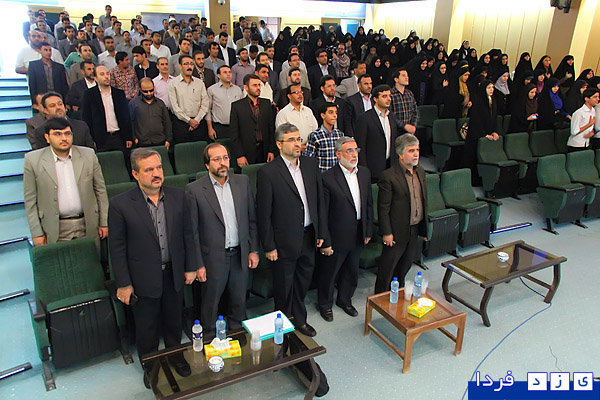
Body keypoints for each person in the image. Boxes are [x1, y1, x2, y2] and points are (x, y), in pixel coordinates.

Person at [109, 148, 198, 388]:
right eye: (149, 170)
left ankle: (176, 356)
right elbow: (116, 249)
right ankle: (151, 366)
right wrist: (124, 283)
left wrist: (191, 266)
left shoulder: (179, 196)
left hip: (173, 273)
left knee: (174, 321)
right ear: (135, 174)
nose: (156, 173)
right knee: (147, 328)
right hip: (142, 278)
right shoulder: (120, 204)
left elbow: (188, 235)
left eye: (159, 168)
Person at [256, 123, 329, 337]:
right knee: (283, 287)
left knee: (303, 282)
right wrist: (269, 246)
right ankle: (282, 327)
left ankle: (300, 319)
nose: (298, 143)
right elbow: (264, 214)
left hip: (308, 236)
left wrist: (321, 232)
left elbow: (319, 202)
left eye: (298, 139)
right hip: (283, 242)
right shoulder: (268, 172)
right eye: (292, 140)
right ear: (279, 144)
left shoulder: (310, 165)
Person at [186, 143, 259, 335]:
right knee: (210, 304)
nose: (222, 163)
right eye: (216, 159)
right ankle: (210, 338)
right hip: (212, 258)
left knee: (239, 301)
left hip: (240, 254)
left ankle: (237, 333)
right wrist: (198, 264)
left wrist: (253, 249)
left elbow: (251, 219)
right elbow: (192, 232)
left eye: (225, 157)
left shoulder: (242, 182)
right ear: (207, 164)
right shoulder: (194, 190)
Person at [24, 117, 108, 248]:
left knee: (91, 259)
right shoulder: (33, 160)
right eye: (57, 134)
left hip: (88, 223)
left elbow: (100, 191)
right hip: (54, 227)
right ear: (47, 138)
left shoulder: (88, 155)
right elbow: (30, 200)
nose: (64, 138)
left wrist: (104, 222)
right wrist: (36, 233)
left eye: (67, 133)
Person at [317, 134, 373, 321]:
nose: (354, 154)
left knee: (351, 270)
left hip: (358, 231)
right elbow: (323, 213)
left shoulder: (364, 173)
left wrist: (368, 230)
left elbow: (368, 204)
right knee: (329, 273)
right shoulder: (327, 178)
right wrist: (326, 240)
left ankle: (345, 299)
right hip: (336, 235)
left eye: (356, 150)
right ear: (338, 155)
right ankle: (325, 305)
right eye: (349, 151)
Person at [374, 134, 427, 293]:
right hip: (395, 232)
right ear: (400, 154)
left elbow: (423, 200)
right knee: (387, 269)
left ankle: (397, 293)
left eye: (417, 150)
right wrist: (387, 233)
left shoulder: (420, 171)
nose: (416, 154)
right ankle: (380, 297)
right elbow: (383, 208)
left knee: (405, 265)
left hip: (414, 228)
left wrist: (424, 228)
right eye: (411, 151)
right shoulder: (389, 176)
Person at [82, 65, 133, 152]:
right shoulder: (89, 94)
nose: (106, 76)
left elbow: (126, 117)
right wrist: (91, 139)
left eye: (107, 74)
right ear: (95, 78)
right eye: (102, 74)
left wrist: (128, 137)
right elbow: (86, 118)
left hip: (119, 137)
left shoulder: (119, 94)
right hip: (100, 138)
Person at [230, 74, 275, 167]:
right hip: (246, 152)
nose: (258, 88)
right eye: (254, 85)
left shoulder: (266, 103)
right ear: (246, 87)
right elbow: (234, 134)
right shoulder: (237, 106)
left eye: (259, 85)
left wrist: (271, 150)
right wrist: (240, 155)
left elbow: (271, 129)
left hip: (265, 151)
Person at [355, 84, 398, 182]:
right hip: (372, 170)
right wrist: (364, 170)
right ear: (375, 99)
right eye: (384, 96)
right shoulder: (365, 118)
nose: (388, 99)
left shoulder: (391, 116)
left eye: (389, 96)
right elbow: (360, 146)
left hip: (390, 167)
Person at [168, 54, 209, 144]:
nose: (189, 67)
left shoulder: (200, 83)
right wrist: (189, 121)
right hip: (181, 124)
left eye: (191, 64)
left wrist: (196, 120)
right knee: (182, 149)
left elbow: (205, 104)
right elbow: (175, 107)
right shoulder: (173, 84)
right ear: (180, 66)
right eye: (186, 64)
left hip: (199, 123)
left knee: (200, 148)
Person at [464, 80, 499, 182]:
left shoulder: (493, 101)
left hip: (488, 132)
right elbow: (476, 121)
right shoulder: (478, 101)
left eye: (492, 88)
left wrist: (494, 131)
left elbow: (494, 118)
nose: (491, 90)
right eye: (489, 88)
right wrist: (483, 134)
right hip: (476, 134)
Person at [129, 78, 172, 149]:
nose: (149, 93)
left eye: (151, 90)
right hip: (142, 142)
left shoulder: (160, 103)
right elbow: (131, 122)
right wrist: (134, 138)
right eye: (145, 91)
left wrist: (168, 139)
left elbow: (167, 122)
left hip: (160, 141)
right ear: (140, 90)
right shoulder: (133, 104)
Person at [305, 102, 345, 172]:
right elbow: (308, 159)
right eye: (331, 112)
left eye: (336, 113)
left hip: (338, 174)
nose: (334, 115)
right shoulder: (315, 135)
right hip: (322, 174)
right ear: (323, 115)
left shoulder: (340, 134)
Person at [206, 65, 243, 140]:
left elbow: (242, 109)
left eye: (229, 72)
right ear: (218, 75)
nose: (228, 74)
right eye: (225, 72)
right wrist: (210, 128)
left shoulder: (237, 90)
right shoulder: (211, 90)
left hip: (235, 127)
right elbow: (208, 110)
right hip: (219, 127)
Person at [389, 68, 419, 134]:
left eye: (407, 75)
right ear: (396, 79)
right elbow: (389, 114)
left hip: (410, 131)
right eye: (403, 75)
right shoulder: (390, 94)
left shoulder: (409, 93)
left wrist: (413, 126)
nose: (407, 77)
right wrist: (404, 126)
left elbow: (415, 111)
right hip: (395, 130)